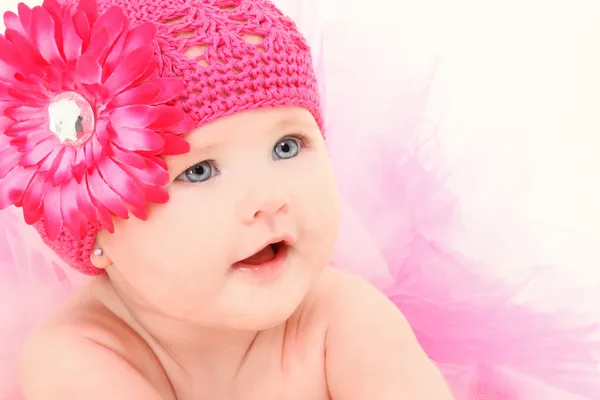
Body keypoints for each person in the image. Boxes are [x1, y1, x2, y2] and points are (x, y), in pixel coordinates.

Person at [0, 0, 598, 399]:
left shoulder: (341, 318)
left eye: (288, 146)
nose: (268, 198)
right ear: (100, 232)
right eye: (202, 170)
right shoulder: (77, 359)